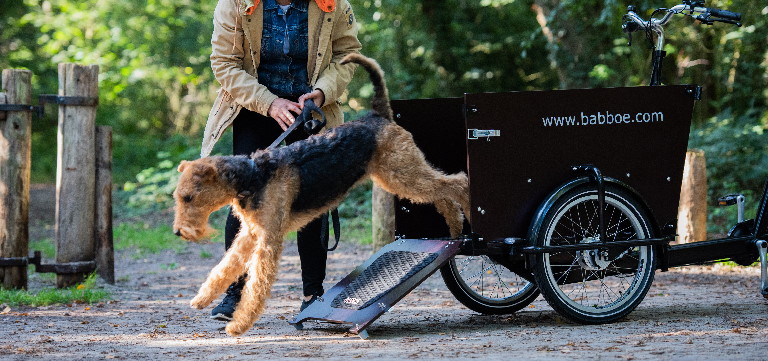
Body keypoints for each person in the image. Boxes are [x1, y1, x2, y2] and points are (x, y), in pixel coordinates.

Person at [199, 0, 361, 321]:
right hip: (255, 104)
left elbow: (346, 55)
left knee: (313, 196)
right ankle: (236, 292)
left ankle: (313, 295)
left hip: (310, 107)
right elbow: (224, 63)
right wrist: (270, 103)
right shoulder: (235, 4)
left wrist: (322, 92)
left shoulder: (333, 4)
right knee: (245, 197)